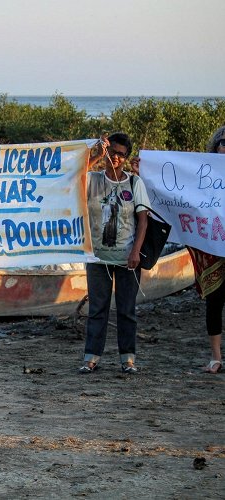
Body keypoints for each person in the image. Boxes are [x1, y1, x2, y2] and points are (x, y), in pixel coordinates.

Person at [79, 132, 150, 374]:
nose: (116, 158)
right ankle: (91, 357)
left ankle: (127, 359)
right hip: (97, 257)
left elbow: (143, 221)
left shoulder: (134, 183)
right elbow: (73, 179)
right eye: (113, 153)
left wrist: (136, 252)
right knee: (97, 309)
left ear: (127, 158)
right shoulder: (92, 180)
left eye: (121, 154)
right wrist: (96, 155)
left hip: (127, 259)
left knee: (126, 310)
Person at [186, 126, 225, 373]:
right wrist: (145, 170)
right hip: (212, 248)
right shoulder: (203, 174)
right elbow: (178, 194)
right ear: (215, 146)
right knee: (215, 302)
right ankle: (216, 357)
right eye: (223, 142)